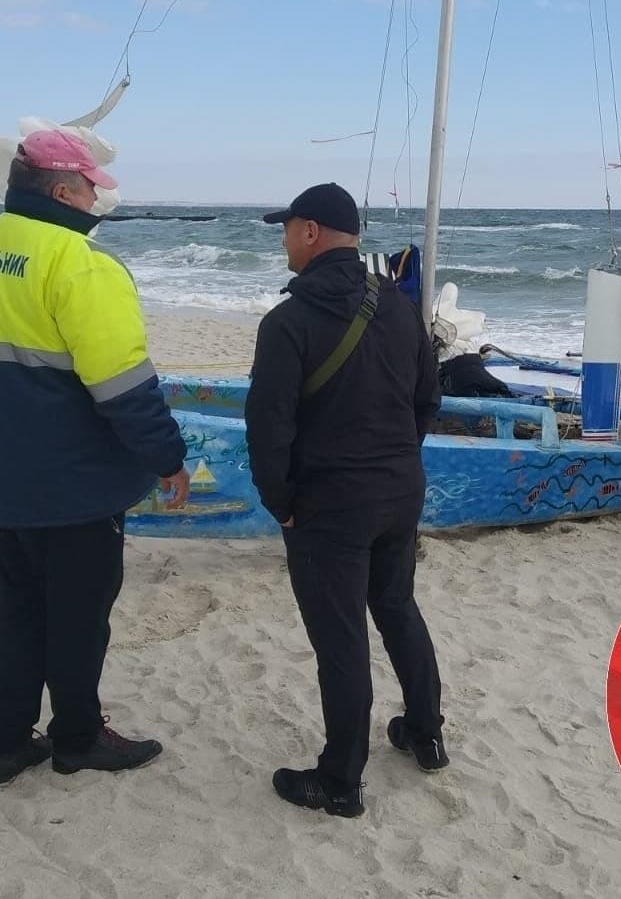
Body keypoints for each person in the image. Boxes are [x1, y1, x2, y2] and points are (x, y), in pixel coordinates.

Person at [0, 129, 191, 787]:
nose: (96, 202)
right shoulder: (80, 263)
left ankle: (3, 743)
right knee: (78, 620)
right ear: (61, 191)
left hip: (0, 474)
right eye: (90, 190)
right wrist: (168, 457)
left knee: (19, 612)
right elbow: (123, 384)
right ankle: (78, 737)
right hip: (74, 483)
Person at [245, 182, 446, 819]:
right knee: (397, 606)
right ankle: (425, 732)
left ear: (310, 231)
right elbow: (426, 402)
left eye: (288, 228)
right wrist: (393, 461)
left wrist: (281, 502)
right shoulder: (398, 307)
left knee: (341, 639)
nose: (284, 239)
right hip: (397, 489)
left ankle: (340, 780)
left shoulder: (288, 321)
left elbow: (267, 427)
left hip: (329, 503)